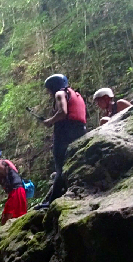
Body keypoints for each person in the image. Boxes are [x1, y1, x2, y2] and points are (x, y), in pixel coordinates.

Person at [35, 74, 87, 210]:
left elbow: (63, 112)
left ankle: (52, 202)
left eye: (48, 89)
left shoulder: (60, 94)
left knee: (60, 167)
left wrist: (49, 121)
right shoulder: (76, 94)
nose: (49, 93)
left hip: (65, 132)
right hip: (80, 130)